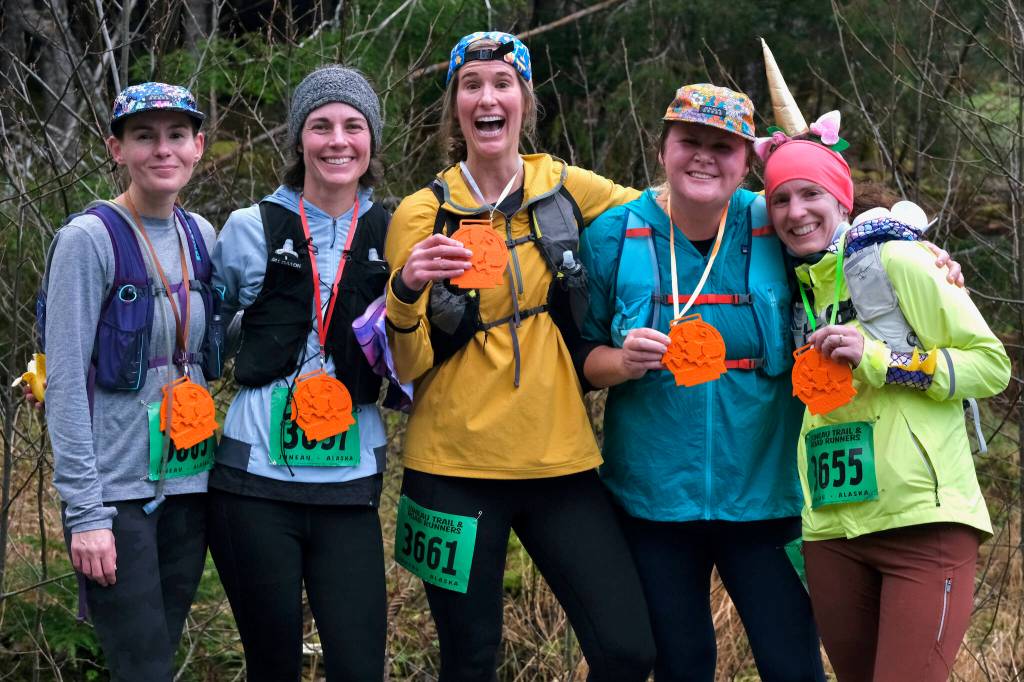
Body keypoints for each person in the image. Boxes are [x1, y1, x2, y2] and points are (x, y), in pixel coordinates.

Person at [384, 31, 655, 681]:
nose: (487, 97)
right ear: (455, 106)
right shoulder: (421, 214)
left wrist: (785, 197)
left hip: (557, 461)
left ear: (524, 101)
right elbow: (408, 364)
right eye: (471, 85)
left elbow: (662, 214)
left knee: (627, 650)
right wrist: (406, 290)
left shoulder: (563, 187)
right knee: (470, 659)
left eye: (502, 83)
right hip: (448, 468)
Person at [579, 83, 825, 682]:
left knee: (793, 666)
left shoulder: (777, 223)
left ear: (749, 161)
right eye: (689, 140)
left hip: (769, 500)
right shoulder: (614, 235)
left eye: (724, 146)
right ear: (663, 147)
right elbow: (581, 355)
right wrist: (621, 361)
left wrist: (921, 256)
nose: (704, 157)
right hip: (652, 504)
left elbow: (854, 251)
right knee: (682, 666)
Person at [761, 102, 1010, 679]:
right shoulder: (794, 282)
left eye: (811, 195)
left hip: (922, 527)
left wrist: (881, 360)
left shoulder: (896, 261)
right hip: (832, 532)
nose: (796, 213)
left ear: (841, 199)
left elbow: (990, 366)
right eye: (780, 199)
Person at [207, 66, 390, 681]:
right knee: (272, 665)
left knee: (360, 665)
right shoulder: (248, 227)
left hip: (350, 479)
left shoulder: (397, 230)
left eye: (353, 126)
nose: (337, 140)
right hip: (252, 480)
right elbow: (211, 337)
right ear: (298, 140)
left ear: (372, 140)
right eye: (320, 126)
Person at [42, 83, 216, 681]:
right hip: (117, 498)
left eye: (176, 136)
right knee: (141, 668)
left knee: (158, 658)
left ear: (198, 147)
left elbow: (204, 343)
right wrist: (86, 513)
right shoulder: (87, 241)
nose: (161, 150)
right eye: (144, 137)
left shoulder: (202, 236)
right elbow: (64, 384)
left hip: (189, 488)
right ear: (117, 149)